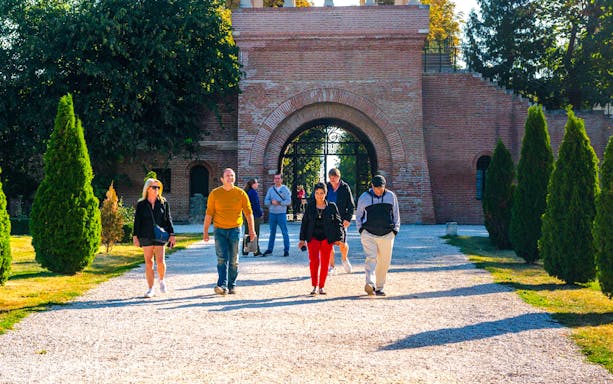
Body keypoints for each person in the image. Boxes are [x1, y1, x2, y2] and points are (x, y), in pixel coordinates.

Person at [203, 168, 257, 295]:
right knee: (222, 258)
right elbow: (209, 213)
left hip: (235, 230)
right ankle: (221, 285)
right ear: (222, 179)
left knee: (233, 259)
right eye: (227, 175)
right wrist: (205, 231)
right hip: (219, 230)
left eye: (232, 175)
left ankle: (231, 285)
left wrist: (252, 230)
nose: (230, 178)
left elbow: (249, 213)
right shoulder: (215, 193)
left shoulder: (241, 193)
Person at [355, 175, 400, 297]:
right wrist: (361, 230)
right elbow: (358, 215)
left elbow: (396, 214)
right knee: (371, 258)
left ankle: (379, 287)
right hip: (369, 233)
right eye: (377, 188)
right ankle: (370, 284)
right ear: (372, 186)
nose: (379, 191)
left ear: (385, 186)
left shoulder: (391, 196)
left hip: (387, 234)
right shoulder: (364, 198)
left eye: (381, 188)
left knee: (384, 262)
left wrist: (395, 230)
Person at [298, 183, 344, 295]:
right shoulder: (310, 206)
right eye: (317, 193)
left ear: (325, 194)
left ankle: (321, 286)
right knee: (314, 262)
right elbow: (304, 223)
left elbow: (338, 223)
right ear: (314, 194)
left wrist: (340, 238)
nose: (319, 196)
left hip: (326, 238)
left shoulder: (332, 206)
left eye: (322, 193)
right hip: (312, 237)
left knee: (325, 262)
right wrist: (302, 239)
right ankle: (314, 286)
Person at [133, 178, 176, 298]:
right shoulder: (141, 204)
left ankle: (161, 280)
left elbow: (168, 219)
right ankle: (150, 288)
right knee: (148, 262)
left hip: (159, 235)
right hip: (145, 235)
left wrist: (172, 234)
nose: (157, 189)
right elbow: (137, 222)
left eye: (158, 187)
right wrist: (135, 236)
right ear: (147, 189)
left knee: (160, 261)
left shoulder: (163, 202)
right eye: (154, 187)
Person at [326, 168, 355, 275]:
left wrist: (348, 218)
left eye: (335, 177)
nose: (332, 179)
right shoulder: (326, 187)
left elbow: (351, 205)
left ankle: (344, 259)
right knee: (329, 244)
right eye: (331, 178)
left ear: (339, 177)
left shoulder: (344, 187)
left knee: (342, 243)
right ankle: (331, 266)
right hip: (328, 219)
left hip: (341, 220)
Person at [263, 173, 292, 257]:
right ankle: (269, 249)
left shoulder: (285, 189)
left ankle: (286, 250)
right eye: (275, 178)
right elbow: (266, 201)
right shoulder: (271, 190)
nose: (277, 180)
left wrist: (279, 202)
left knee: (284, 232)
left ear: (281, 180)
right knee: (272, 232)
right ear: (274, 180)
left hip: (281, 214)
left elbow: (288, 201)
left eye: (278, 178)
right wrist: (271, 202)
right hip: (272, 214)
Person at [243, 178, 262, 256]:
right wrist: (260, 213)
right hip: (254, 215)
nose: (258, 184)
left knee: (247, 232)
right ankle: (255, 251)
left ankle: (246, 251)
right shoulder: (253, 193)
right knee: (255, 232)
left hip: (246, 215)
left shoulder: (247, 192)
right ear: (253, 184)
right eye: (256, 183)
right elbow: (256, 205)